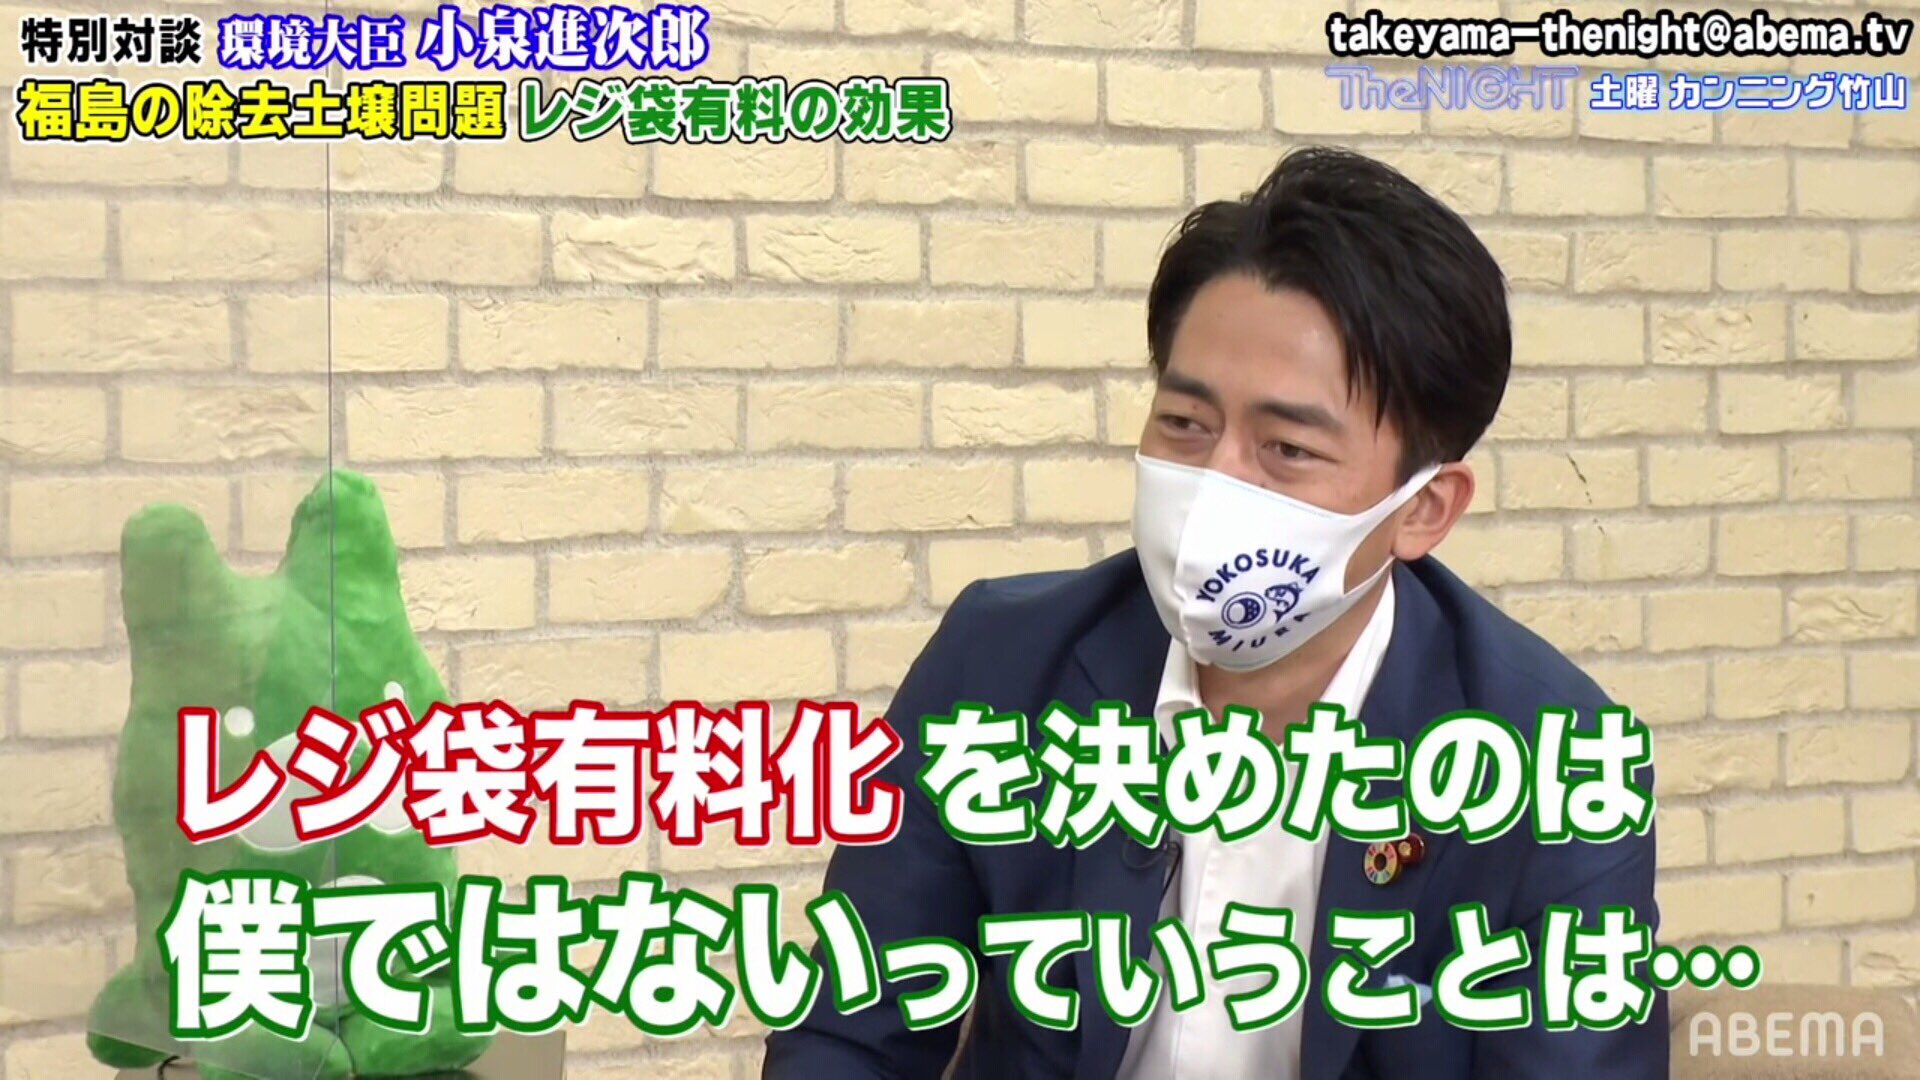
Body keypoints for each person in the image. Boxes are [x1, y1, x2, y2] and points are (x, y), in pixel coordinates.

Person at [762, 146, 1666, 1079]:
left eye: (1286, 449)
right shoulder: (1001, 666)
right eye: (1186, 425)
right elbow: (846, 1035)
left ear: (1423, 510)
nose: (1214, 485)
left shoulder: (1553, 764)